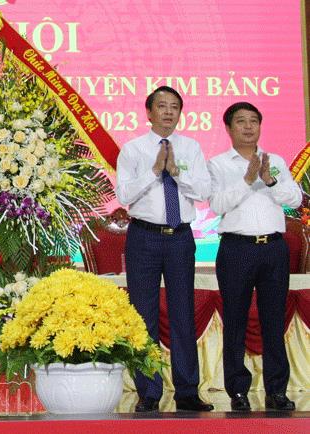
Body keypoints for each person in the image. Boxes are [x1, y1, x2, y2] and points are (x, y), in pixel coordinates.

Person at [115, 86, 214, 412]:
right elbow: (124, 195)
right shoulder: (133, 149)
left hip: (180, 238)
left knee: (182, 312)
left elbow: (203, 191)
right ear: (149, 112)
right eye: (162, 106)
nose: (169, 112)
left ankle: (187, 391)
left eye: (174, 106)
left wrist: (176, 173)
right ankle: (148, 393)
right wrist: (154, 171)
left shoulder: (191, 147)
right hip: (144, 237)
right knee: (143, 315)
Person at [208, 102, 299, 412]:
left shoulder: (276, 161)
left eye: (253, 121)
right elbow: (217, 204)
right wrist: (247, 180)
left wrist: (269, 180)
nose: (248, 127)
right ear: (228, 128)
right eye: (241, 121)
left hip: (274, 248)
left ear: (260, 126)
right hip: (237, 249)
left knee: (274, 321)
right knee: (235, 321)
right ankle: (238, 391)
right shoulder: (218, 165)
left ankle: (277, 391)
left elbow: (294, 198)